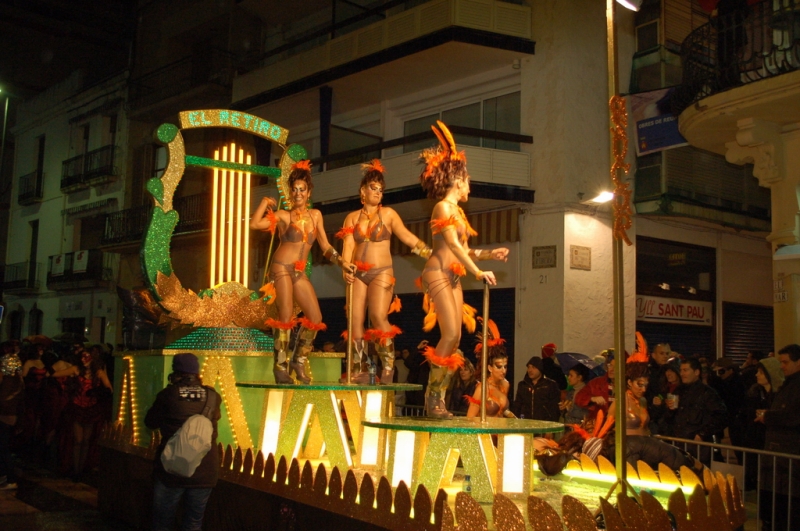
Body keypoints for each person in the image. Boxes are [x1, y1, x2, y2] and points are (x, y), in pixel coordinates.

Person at [417, 121, 509, 418]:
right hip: (438, 274)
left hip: (453, 276)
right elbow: (453, 247)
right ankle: (433, 397)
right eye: (468, 181)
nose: (470, 186)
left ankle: (439, 398)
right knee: (451, 333)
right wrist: (478, 273)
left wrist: (490, 255)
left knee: (455, 339)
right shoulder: (443, 208)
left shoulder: (458, 212)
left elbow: (465, 250)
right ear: (457, 181)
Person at [250, 160, 353, 384]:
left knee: (315, 318)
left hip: (298, 272)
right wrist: (264, 202)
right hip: (281, 267)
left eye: (302, 189)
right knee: (286, 315)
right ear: (291, 193)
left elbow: (325, 247)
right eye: (294, 190)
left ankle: (298, 360)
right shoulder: (283, 216)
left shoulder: (316, 216)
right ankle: (280, 367)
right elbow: (254, 224)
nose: (298, 193)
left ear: (308, 193)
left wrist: (343, 262)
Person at [338, 160, 432, 384]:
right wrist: (344, 267)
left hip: (381, 272)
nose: (378, 192)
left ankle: (388, 365)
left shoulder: (388, 214)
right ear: (363, 190)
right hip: (357, 273)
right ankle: (359, 368)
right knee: (355, 320)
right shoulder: (351, 218)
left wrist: (430, 253)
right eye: (373, 188)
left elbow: (407, 237)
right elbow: (348, 246)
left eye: (381, 190)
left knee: (378, 316)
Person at [145, 354, 222, 531]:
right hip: (204, 470)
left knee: (162, 522)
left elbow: (150, 422)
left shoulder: (168, 395)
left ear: (175, 371)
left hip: (172, 468)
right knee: (193, 523)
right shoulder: (213, 396)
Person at [50, 344, 113, 480]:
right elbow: (54, 374)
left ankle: (80, 470)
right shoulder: (76, 369)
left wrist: (98, 391)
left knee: (85, 441)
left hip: (91, 409)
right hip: (77, 407)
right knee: (78, 440)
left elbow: (109, 389)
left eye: (87, 356)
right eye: (82, 356)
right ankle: (75, 469)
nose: (84, 359)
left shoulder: (99, 372)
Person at [755, 344, 800, 530]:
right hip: (777, 455)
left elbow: (793, 416)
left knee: (788, 508)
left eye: (786, 362)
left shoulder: (795, 387)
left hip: (789, 454)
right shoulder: (787, 385)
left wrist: (768, 417)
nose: (782, 366)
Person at [663, 357, 727, 465]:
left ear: (696, 372)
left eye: (685, 370)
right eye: (681, 370)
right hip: (678, 445)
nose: (682, 374)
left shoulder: (707, 393)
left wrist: (702, 434)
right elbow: (669, 419)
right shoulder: (679, 391)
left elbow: (721, 416)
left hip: (698, 448)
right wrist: (670, 409)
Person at [737, 356, 783, 490]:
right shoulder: (754, 393)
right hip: (754, 439)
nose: (757, 375)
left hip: (771, 440)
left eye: (761, 372)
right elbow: (745, 416)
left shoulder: (780, 396)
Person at [466, 319, 513, 418]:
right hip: (485, 428)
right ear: (490, 368)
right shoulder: (482, 389)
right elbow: (470, 417)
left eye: (505, 366)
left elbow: (503, 411)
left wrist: (515, 419)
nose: (503, 370)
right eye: (499, 367)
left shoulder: (505, 384)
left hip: (501, 427)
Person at [0, 343, 24, 490]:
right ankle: (4, 474)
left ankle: (10, 478)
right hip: (11, 415)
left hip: (5, 415)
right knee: (3, 446)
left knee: (3, 448)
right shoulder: (17, 381)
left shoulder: (7, 383)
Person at [511, 356, 560, 421]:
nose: (530, 370)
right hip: (525, 422)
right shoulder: (522, 385)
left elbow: (554, 408)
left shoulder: (550, 385)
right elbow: (517, 405)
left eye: (533, 367)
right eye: (528, 367)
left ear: (540, 369)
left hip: (544, 423)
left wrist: (552, 422)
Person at [574, 350, 619, 420]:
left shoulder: (628, 385)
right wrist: (592, 398)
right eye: (610, 365)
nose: (611, 369)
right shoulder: (597, 382)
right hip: (600, 422)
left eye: (616, 367)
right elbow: (578, 397)